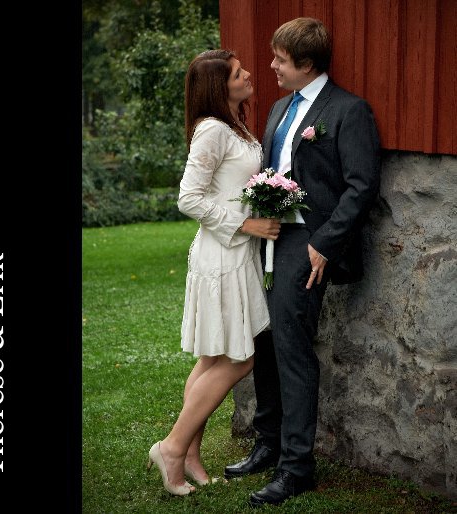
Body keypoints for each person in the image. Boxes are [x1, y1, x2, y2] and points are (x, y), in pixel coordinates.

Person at [224, 17, 381, 507]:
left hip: (309, 242)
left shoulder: (349, 111)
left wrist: (325, 243)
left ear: (307, 64)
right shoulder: (277, 109)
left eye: (280, 60)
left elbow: (361, 186)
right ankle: (267, 444)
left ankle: (297, 467)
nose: (270, 66)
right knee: (264, 339)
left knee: (291, 343)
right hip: (269, 237)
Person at [147, 49, 280, 496]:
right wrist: (247, 223)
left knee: (210, 358)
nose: (248, 75)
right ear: (218, 87)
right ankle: (172, 447)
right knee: (239, 359)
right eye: (239, 74)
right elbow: (189, 198)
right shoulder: (212, 132)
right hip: (222, 256)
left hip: (238, 253)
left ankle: (188, 453)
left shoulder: (233, 125)